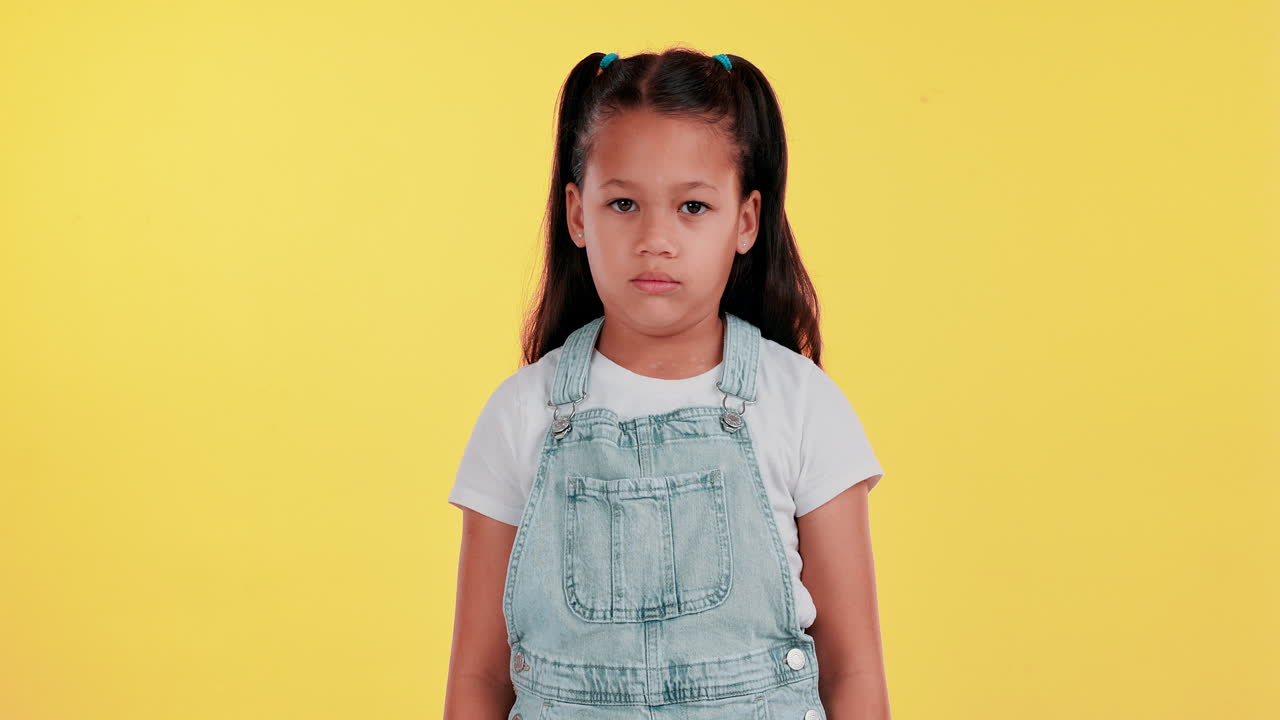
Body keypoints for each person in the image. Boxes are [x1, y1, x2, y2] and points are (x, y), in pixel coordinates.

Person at [444, 48, 890, 720]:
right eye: (623, 203)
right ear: (577, 214)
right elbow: (479, 678)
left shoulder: (801, 405)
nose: (656, 238)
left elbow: (854, 672)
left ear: (745, 221)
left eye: (692, 206)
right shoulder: (520, 414)